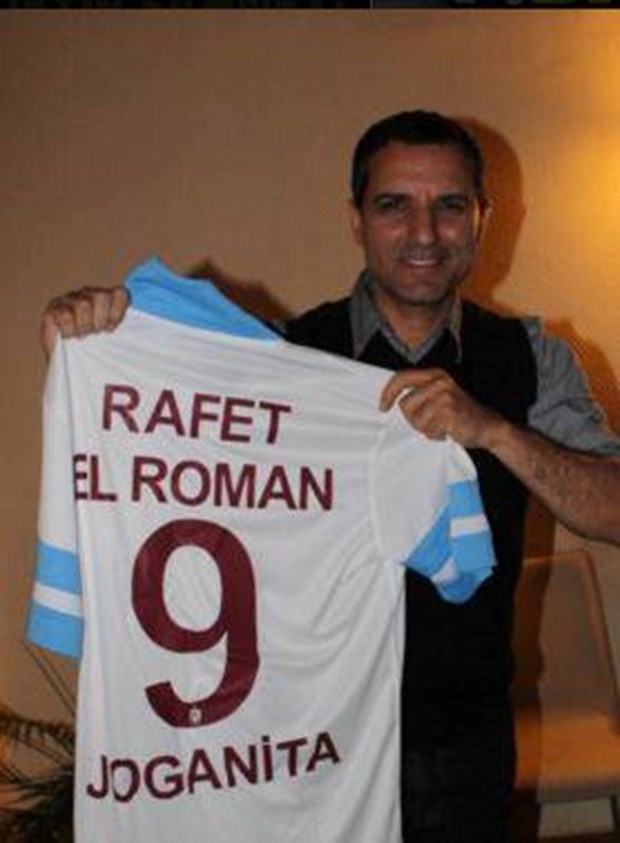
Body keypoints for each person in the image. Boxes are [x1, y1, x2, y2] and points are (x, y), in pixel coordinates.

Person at [41, 110, 620, 842]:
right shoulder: (285, 361)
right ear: (356, 220)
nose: (423, 232)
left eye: (449, 205)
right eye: (394, 205)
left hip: (463, 741)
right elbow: (162, 449)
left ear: (483, 219)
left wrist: (496, 432)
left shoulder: (532, 356)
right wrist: (93, 347)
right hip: (310, 746)